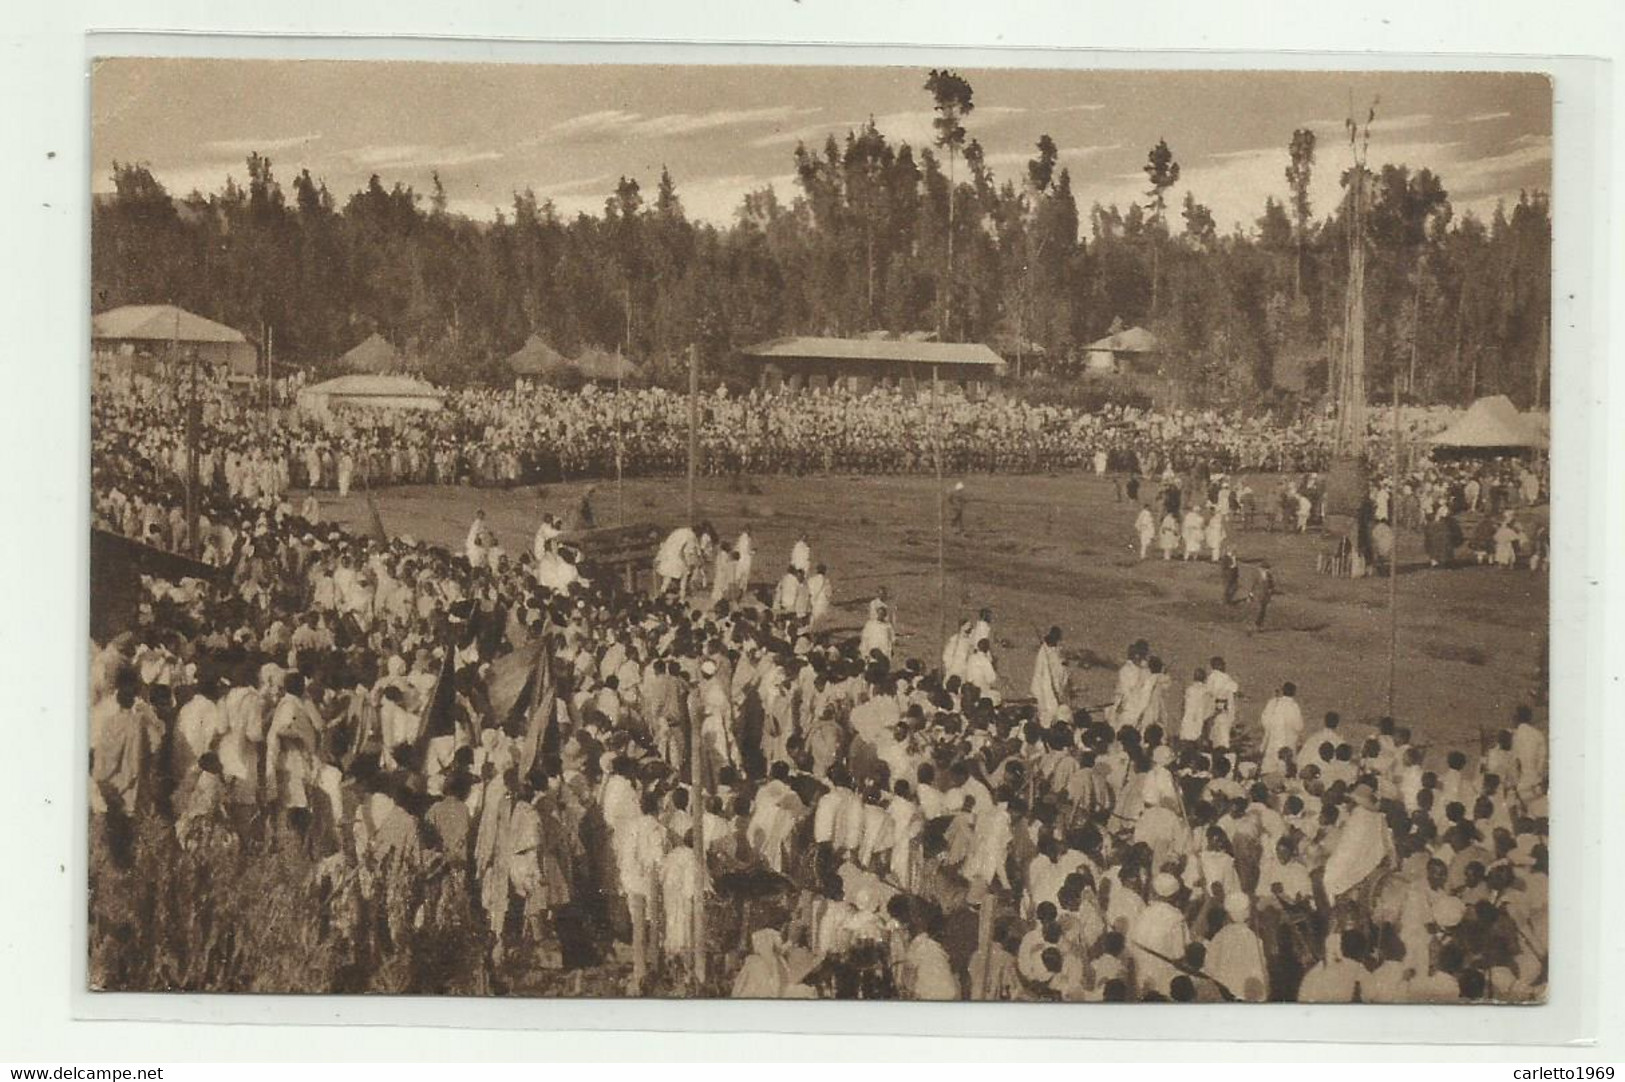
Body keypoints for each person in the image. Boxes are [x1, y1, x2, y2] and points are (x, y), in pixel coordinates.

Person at [1030, 626, 1070, 724]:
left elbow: (1060, 668)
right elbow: (1042, 672)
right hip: (1045, 685)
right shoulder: (1043, 652)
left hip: (1055, 684)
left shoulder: (1055, 650)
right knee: (1048, 707)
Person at [1248, 561, 1275, 632]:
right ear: (1261, 569)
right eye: (1265, 569)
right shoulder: (1257, 575)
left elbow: (1272, 585)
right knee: (1258, 610)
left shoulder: (1269, 576)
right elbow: (1253, 585)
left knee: (1263, 611)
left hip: (1265, 596)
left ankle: (1259, 625)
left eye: (1267, 569)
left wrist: (1270, 590)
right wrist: (1250, 594)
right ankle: (1254, 625)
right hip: (1258, 595)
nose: (1266, 570)